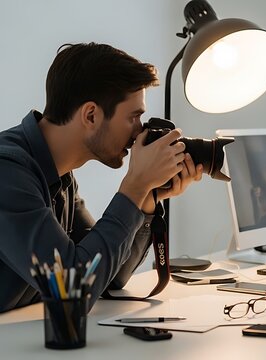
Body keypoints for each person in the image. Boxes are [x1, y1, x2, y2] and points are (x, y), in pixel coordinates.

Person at [0, 43, 203, 313]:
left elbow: (108, 277)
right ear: (91, 115)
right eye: (134, 117)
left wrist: (146, 199)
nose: (139, 132)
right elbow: (73, 290)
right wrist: (135, 186)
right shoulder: (8, 172)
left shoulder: (59, 176)